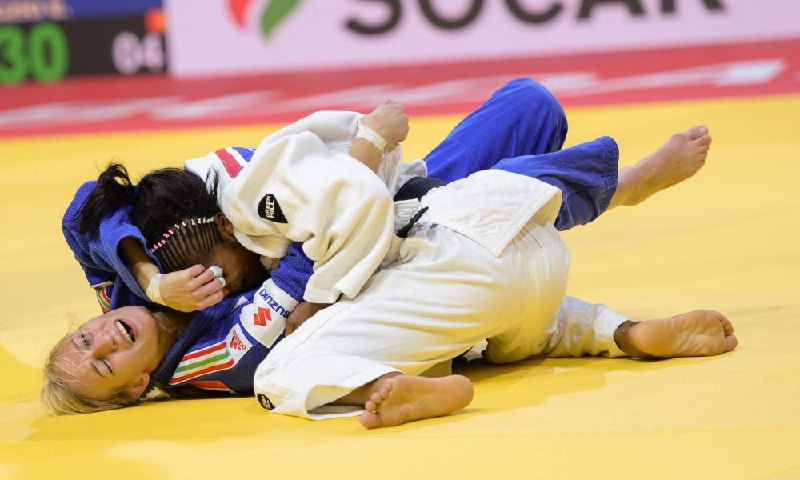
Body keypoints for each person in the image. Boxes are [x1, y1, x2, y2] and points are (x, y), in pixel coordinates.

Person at [45, 79, 726, 423]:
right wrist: (362, 158)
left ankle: (615, 322)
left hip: (392, 210)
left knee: (532, 105)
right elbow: (307, 264)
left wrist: (149, 278)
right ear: (138, 386)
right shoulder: (212, 355)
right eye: (104, 362)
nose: (103, 339)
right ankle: (618, 192)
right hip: (380, 257)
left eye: (84, 339)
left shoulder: (127, 292)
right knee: (470, 213)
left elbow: (85, 210)